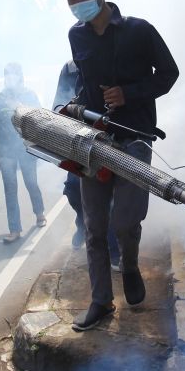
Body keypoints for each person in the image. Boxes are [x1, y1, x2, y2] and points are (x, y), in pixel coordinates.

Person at [54, 0, 179, 331]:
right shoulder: (76, 36)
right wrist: (72, 107)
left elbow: (169, 74)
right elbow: (84, 85)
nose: (77, 1)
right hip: (92, 141)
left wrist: (130, 93)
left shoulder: (140, 31)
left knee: (125, 221)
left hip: (135, 137)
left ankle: (128, 264)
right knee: (94, 226)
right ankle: (100, 301)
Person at [53, 60, 121, 266]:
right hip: (80, 139)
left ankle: (114, 249)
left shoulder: (112, 62)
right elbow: (57, 103)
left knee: (108, 197)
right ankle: (83, 223)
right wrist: (66, 110)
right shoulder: (70, 68)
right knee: (73, 189)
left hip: (111, 139)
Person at [0, 62, 46, 243]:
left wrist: (19, 106)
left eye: (13, 74)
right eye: (7, 74)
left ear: (20, 76)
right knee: (10, 189)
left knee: (31, 182)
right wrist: (0, 151)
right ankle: (14, 229)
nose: (10, 78)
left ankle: (39, 212)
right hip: (7, 150)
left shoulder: (29, 95)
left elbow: (38, 118)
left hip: (25, 147)